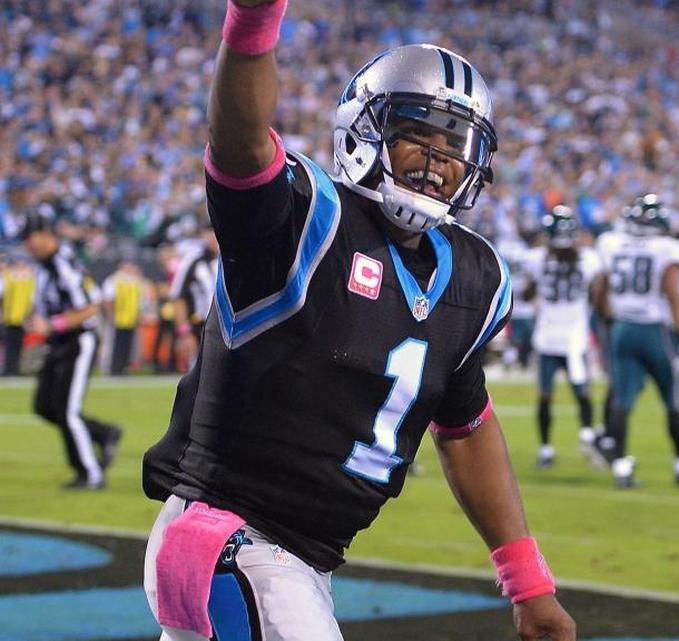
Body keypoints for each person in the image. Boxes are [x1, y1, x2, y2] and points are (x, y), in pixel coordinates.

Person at [141, 3, 575, 640]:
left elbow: (464, 424)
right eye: (417, 131)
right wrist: (254, 20)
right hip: (234, 539)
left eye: (457, 144)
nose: (438, 157)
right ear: (365, 132)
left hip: (297, 558)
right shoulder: (308, 223)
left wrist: (527, 581)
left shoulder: (473, 278)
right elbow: (239, 146)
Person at [593, 194, 679, 488]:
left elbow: (601, 288)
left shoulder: (612, 243)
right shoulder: (667, 248)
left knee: (622, 400)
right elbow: (672, 293)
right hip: (654, 329)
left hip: (622, 326)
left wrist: (606, 317)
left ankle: (621, 467)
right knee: (672, 399)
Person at [21, 214, 123, 489]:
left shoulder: (63, 262)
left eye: (31, 239)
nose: (28, 246)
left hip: (78, 340)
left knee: (67, 410)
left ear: (45, 235)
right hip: (57, 343)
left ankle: (90, 474)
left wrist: (52, 324)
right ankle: (104, 434)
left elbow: (91, 307)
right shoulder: (44, 265)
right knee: (44, 406)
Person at [522, 206, 606, 469]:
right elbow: (597, 292)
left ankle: (554, 447)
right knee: (578, 393)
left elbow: (527, 294)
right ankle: (583, 437)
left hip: (554, 336)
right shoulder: (589, 259)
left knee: (551, 395)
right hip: (568, 338)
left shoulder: (537, 258)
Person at [170, 224, 219, 365]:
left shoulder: (231, 258)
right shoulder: (192, 261)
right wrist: (184, 332)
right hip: (200, 324)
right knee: (198, 372)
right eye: (208, 235)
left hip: (227, 325)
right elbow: (178, 296)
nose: (212, 239)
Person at [101, 258, 148, 376]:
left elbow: (139, 300)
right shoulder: (113, 280)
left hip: (130, 319)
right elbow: (109, 299)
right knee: (115, 345)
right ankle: (113, 368)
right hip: (118, 318)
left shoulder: (134, 281)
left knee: (127, 346)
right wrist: (111, 315)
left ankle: (123, 367)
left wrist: (138, 314)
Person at [1, 256, 36, 376]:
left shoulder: (10, 278)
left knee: (15, 345)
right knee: (14, 345)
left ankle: (13, 369)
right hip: (16, 317)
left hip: (17, 317)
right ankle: (12, 369)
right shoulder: (29, 279)